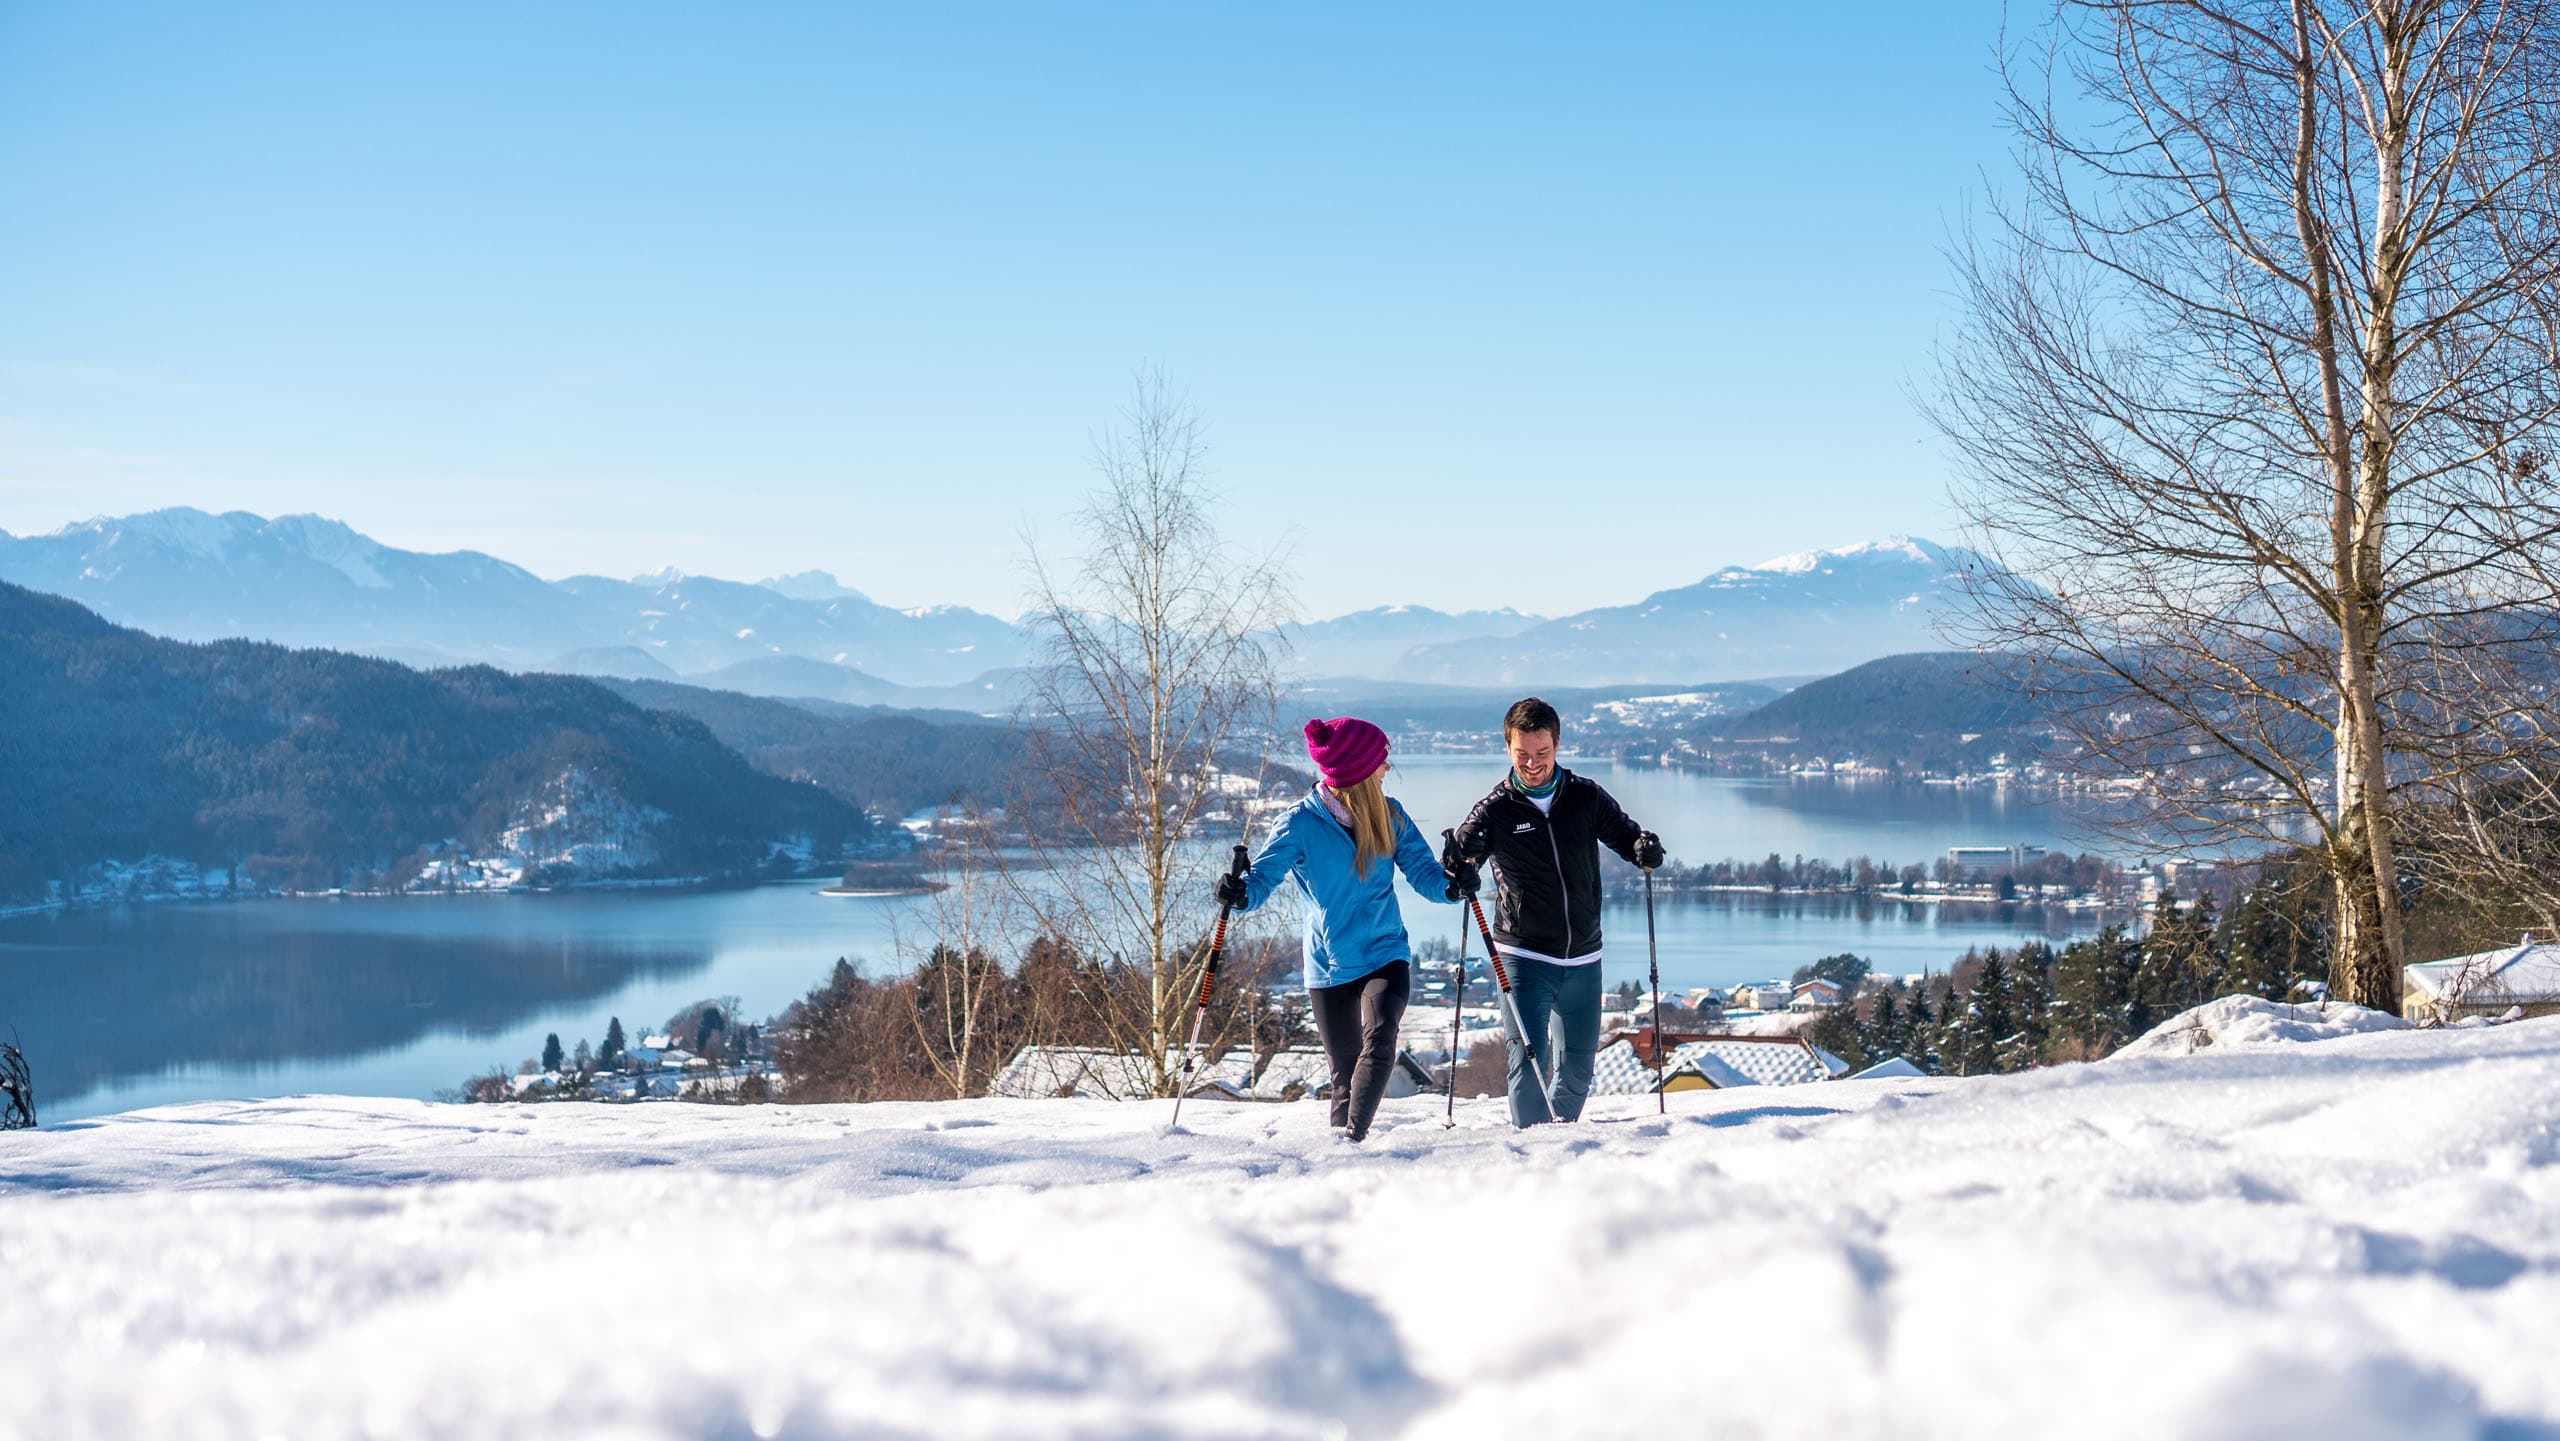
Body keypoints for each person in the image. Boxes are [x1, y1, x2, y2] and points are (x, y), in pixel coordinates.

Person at [1216, 716, 1473, 1142]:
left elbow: (1427, 876)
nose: (1386, 768)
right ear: (1357, 771)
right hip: (1330, 967)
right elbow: (1260, 882)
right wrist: (1238, 894)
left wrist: (1453, 887)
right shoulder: (1299, 824)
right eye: (1380, 761)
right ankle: (1342, 1159)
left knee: (1382, 1037)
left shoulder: (1391, 817)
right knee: (1344, 1076)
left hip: (1385, 953)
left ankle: (1352, 1140)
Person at [1445, 697, 1663, 1126]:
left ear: (1557, 745)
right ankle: (1535, 1156)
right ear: (1508, 748)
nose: (1532, 763)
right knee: (1527, 1062)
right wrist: (1458, 871)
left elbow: (1627, 835)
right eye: (1522, 754)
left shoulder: (1584, 796)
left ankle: (1556, 1145)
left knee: (1579, 1069)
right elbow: (1455, 871)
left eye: (1542, 753)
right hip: (1524, 957)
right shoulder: (1494, 812)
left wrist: (1644, 849)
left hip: (1584, 956)